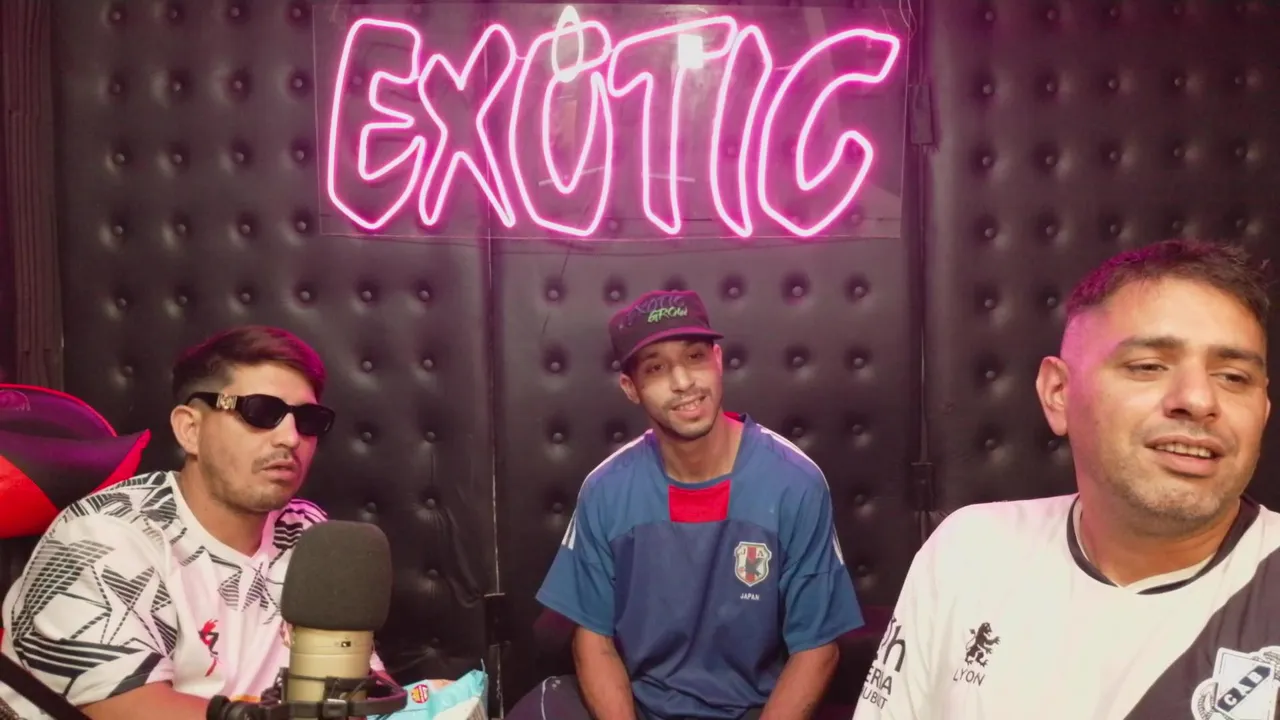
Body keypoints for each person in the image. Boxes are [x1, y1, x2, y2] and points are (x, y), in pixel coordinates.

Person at [852, 238, 1279, 719]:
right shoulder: (969, 552)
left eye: (1234, 377)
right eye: (1149, 366)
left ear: (1263, 410)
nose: (1199, 400)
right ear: (1058, 392)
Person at [508, 289, 864, 720]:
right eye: (656, 368)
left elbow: (817, 648)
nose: (683, 382)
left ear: (718, 360)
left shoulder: (795, 482)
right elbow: (594, 640)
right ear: (631, 388)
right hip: (639, 706)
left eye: (695, 357)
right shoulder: (605, 489)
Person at [0, 325, 386, 720]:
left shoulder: (309, 533)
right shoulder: (101, 536)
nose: (290, 438)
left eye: (308, 419)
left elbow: (355, 686)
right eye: (260, 412)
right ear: (190, 429)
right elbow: (126, 712)